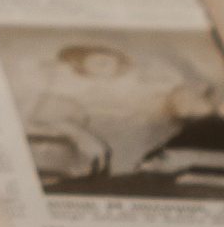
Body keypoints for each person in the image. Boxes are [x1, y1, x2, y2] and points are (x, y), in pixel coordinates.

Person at [24, 42, 224, 182]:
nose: (106, 64)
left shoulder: (154, 73)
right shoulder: (93, 92)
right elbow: (46, 112)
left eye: (105, 59)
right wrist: (78, 134)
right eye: (97, 66)